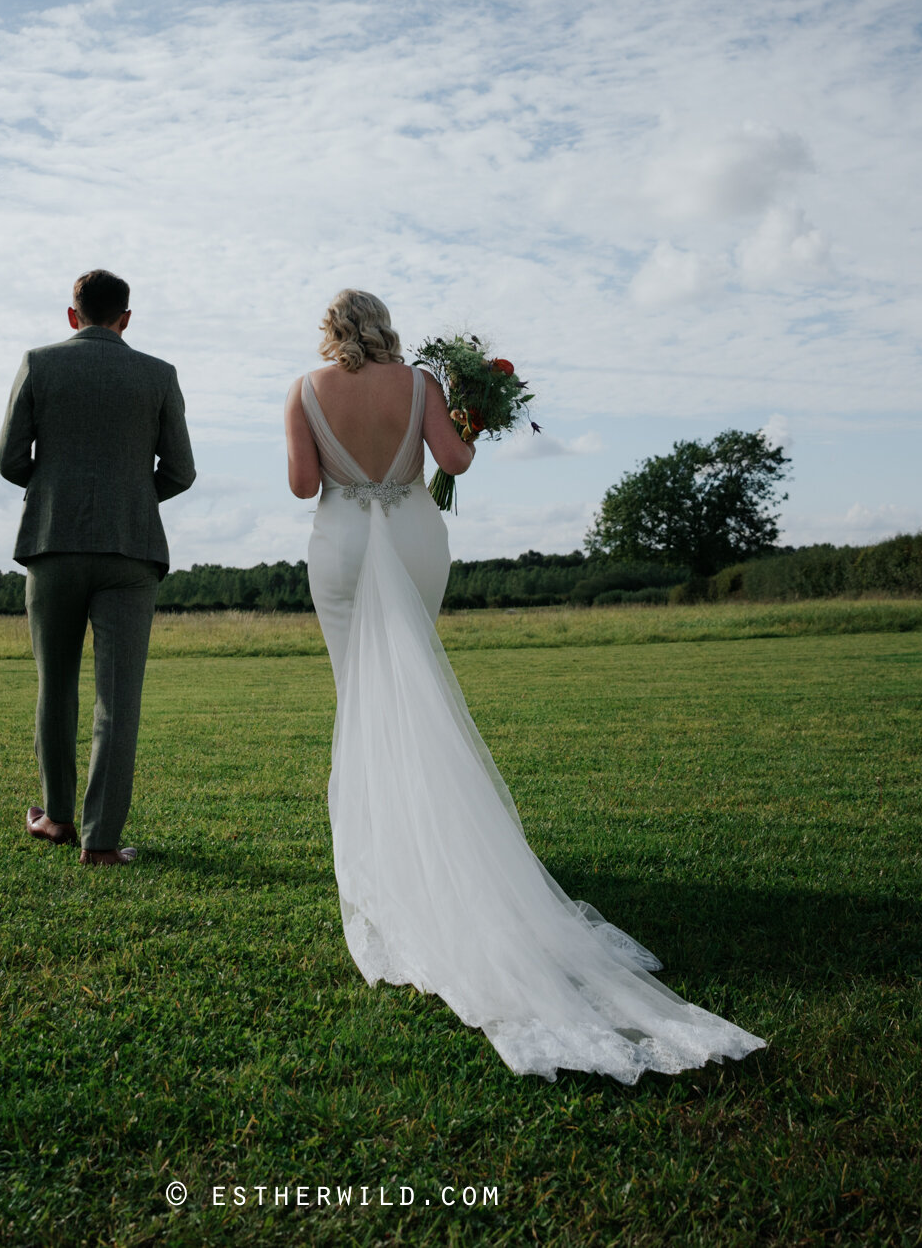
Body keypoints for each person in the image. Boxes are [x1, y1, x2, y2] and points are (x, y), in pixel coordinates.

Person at [285, 288, 764, 1081]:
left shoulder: (303, 389)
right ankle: (428, 851)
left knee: (364, 701)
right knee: (414, 692)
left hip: (340, 543)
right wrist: (465, 415)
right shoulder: (419, 385)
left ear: (333, 331)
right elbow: (456, 462)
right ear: (384, 326)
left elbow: (305, 486)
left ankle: (388, 865)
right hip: (410, 534)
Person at [0, 269, 197, 866]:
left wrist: (61, 490)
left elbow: (10, 460)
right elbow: (181, 471)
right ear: (126, 319)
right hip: (131, 550)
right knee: (118, 699)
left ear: (71, 314)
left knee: (54, 685)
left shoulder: (38, 363)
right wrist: (129, 496)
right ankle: (101, 842)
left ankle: (56, 818)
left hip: (52, 544)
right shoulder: (159, 375)